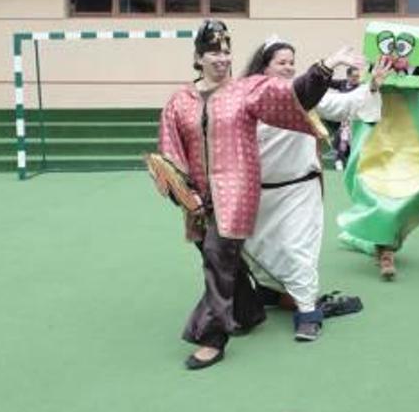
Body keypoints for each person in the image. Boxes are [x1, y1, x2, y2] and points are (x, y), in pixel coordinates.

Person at [155, 19, 359, 369]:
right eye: (213, 53)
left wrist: (327, 65)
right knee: (220, 259)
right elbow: (171, 152)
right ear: (198, 57)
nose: (221, 59)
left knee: (219, 260)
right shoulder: (179, 102)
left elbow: (294, 96)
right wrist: (184, 194)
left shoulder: (246, 90)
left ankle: (212, 338)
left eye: (226, 52)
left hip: (236, 194)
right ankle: (247, 313)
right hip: (197, 200)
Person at [240, 38, 388, 341]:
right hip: (258, 191)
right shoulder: (245, 95)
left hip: (299, 189)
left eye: (292, 61)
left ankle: (307, 311)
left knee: (298, 250)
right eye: (281, 62)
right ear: (264, 66)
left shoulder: (305, 93)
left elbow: (345, 105)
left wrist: (372, 85)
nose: (288, 66)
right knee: (256, 247)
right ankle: (273, 292)